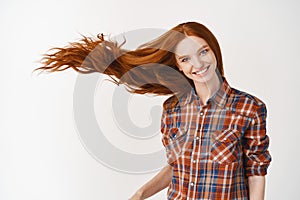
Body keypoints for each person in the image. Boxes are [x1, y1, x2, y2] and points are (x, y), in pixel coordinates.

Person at [34, 22, 271, 200]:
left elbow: (256, 172)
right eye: (186, 59)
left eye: (203, 52)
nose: (197, 64)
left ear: (214, 50)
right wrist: (139, 194)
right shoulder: (173, 109)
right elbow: (176, 166)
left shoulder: (249, 108)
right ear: (177, 65)